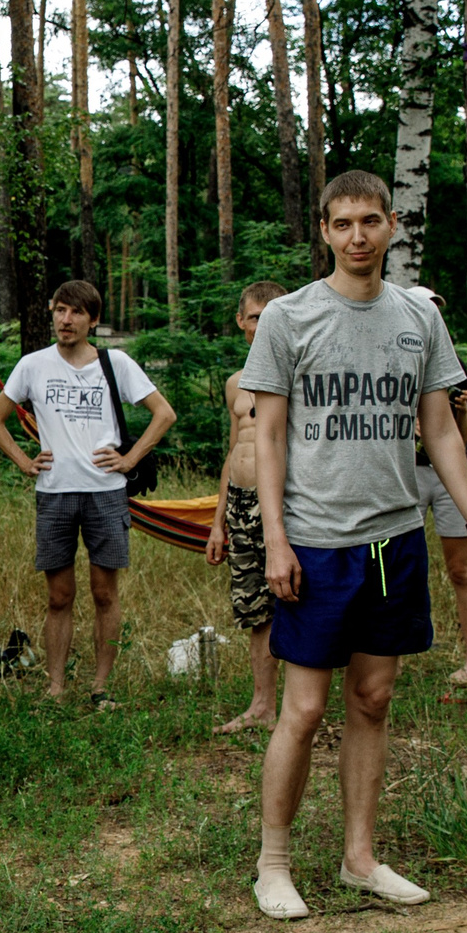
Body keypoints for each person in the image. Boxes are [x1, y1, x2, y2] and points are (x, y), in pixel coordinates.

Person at [239, 170, 467, 920]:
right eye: (342, 223)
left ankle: (360, 856)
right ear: (323, 231)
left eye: (370, 221)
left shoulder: (418, 320)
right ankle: (275, 862)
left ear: (392, 226)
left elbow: (441, 428)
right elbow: (272, 433)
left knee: (375, 697)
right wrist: (277, 542)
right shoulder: (290, 319)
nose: (358, 236)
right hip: (315, 542)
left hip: (394, 537)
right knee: (306, 705)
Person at [0, 281, 178, 707]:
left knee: (105, 592)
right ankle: (55, 687)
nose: (65, 320)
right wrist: (23, 461)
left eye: (75, 313)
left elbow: (164, 414)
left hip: (105, 492)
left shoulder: (116, 363)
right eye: (59, 310)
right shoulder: (34, 365)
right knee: (59, 595)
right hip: (54, 492)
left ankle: (100, 687)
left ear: (93, 320)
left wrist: (128, 461)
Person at [206, 281, 289, 731]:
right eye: (255, 316)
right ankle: (262, 707)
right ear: (241, 322)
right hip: (239, 504)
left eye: (273, 314)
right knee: (254, 607)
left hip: (282, 504)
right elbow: (234, 451)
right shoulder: (236, 383)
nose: (263, 324)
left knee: (291, 601)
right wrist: (218, 522)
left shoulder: (299, 377)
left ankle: (296, 706)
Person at [408, 286, 467, 685]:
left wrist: (458, 414)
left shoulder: (450, 365)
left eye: (436, 310)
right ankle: (393, 650)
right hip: (407, 475)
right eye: (425, 309)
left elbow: (461, 437)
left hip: (445, 477)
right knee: (400, 567)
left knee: (460, 569)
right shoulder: (396, 359)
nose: (431, 316)